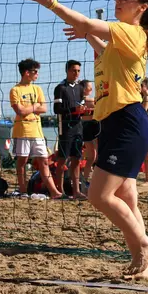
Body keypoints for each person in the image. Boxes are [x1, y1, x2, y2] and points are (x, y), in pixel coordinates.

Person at [21, 0, 148, 278]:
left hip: (127, 120)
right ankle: (142, 263)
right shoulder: (121, 42)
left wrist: (53, 5)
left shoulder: (131, 32)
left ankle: (144, 243)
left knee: (98, 196)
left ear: (142, 7)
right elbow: (102, 47)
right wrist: (88, 35)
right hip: (116, 122)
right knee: (125, 196)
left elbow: (88, 23)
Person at [10, 58, 63, 199]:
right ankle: (22, 190)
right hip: (22, 130)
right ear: (27, 72)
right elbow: (20, 111)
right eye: (35, 71)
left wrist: (30, 108)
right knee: (22, 161)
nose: (37, 74)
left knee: (44, 161)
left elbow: (44, 108)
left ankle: (54, 192)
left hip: (37, 131)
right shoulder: (15, 90)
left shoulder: (37, 88)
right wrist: (35, 107)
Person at [53, 59, 86, 199]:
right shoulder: (60, 88)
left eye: (78, 71)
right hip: (65, 128)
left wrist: (85, 110)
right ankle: (60, 190)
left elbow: (82, 107)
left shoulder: (80, 88)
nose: (76, 73)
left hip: (78, 127)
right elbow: (56, 109)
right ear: (67, 70)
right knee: (62, 159)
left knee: (77, 159)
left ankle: (76, 190)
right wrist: (74, 109)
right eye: (74, 70)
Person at [79, 79, 97, 181]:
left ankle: (85, 178)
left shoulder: (81, 100)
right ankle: (85, 178)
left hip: (88, 127)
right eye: (90, 87)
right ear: (85, 89)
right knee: (93, 156)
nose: (91, 88)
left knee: (91, 156)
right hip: (89, 127)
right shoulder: (88, 101)